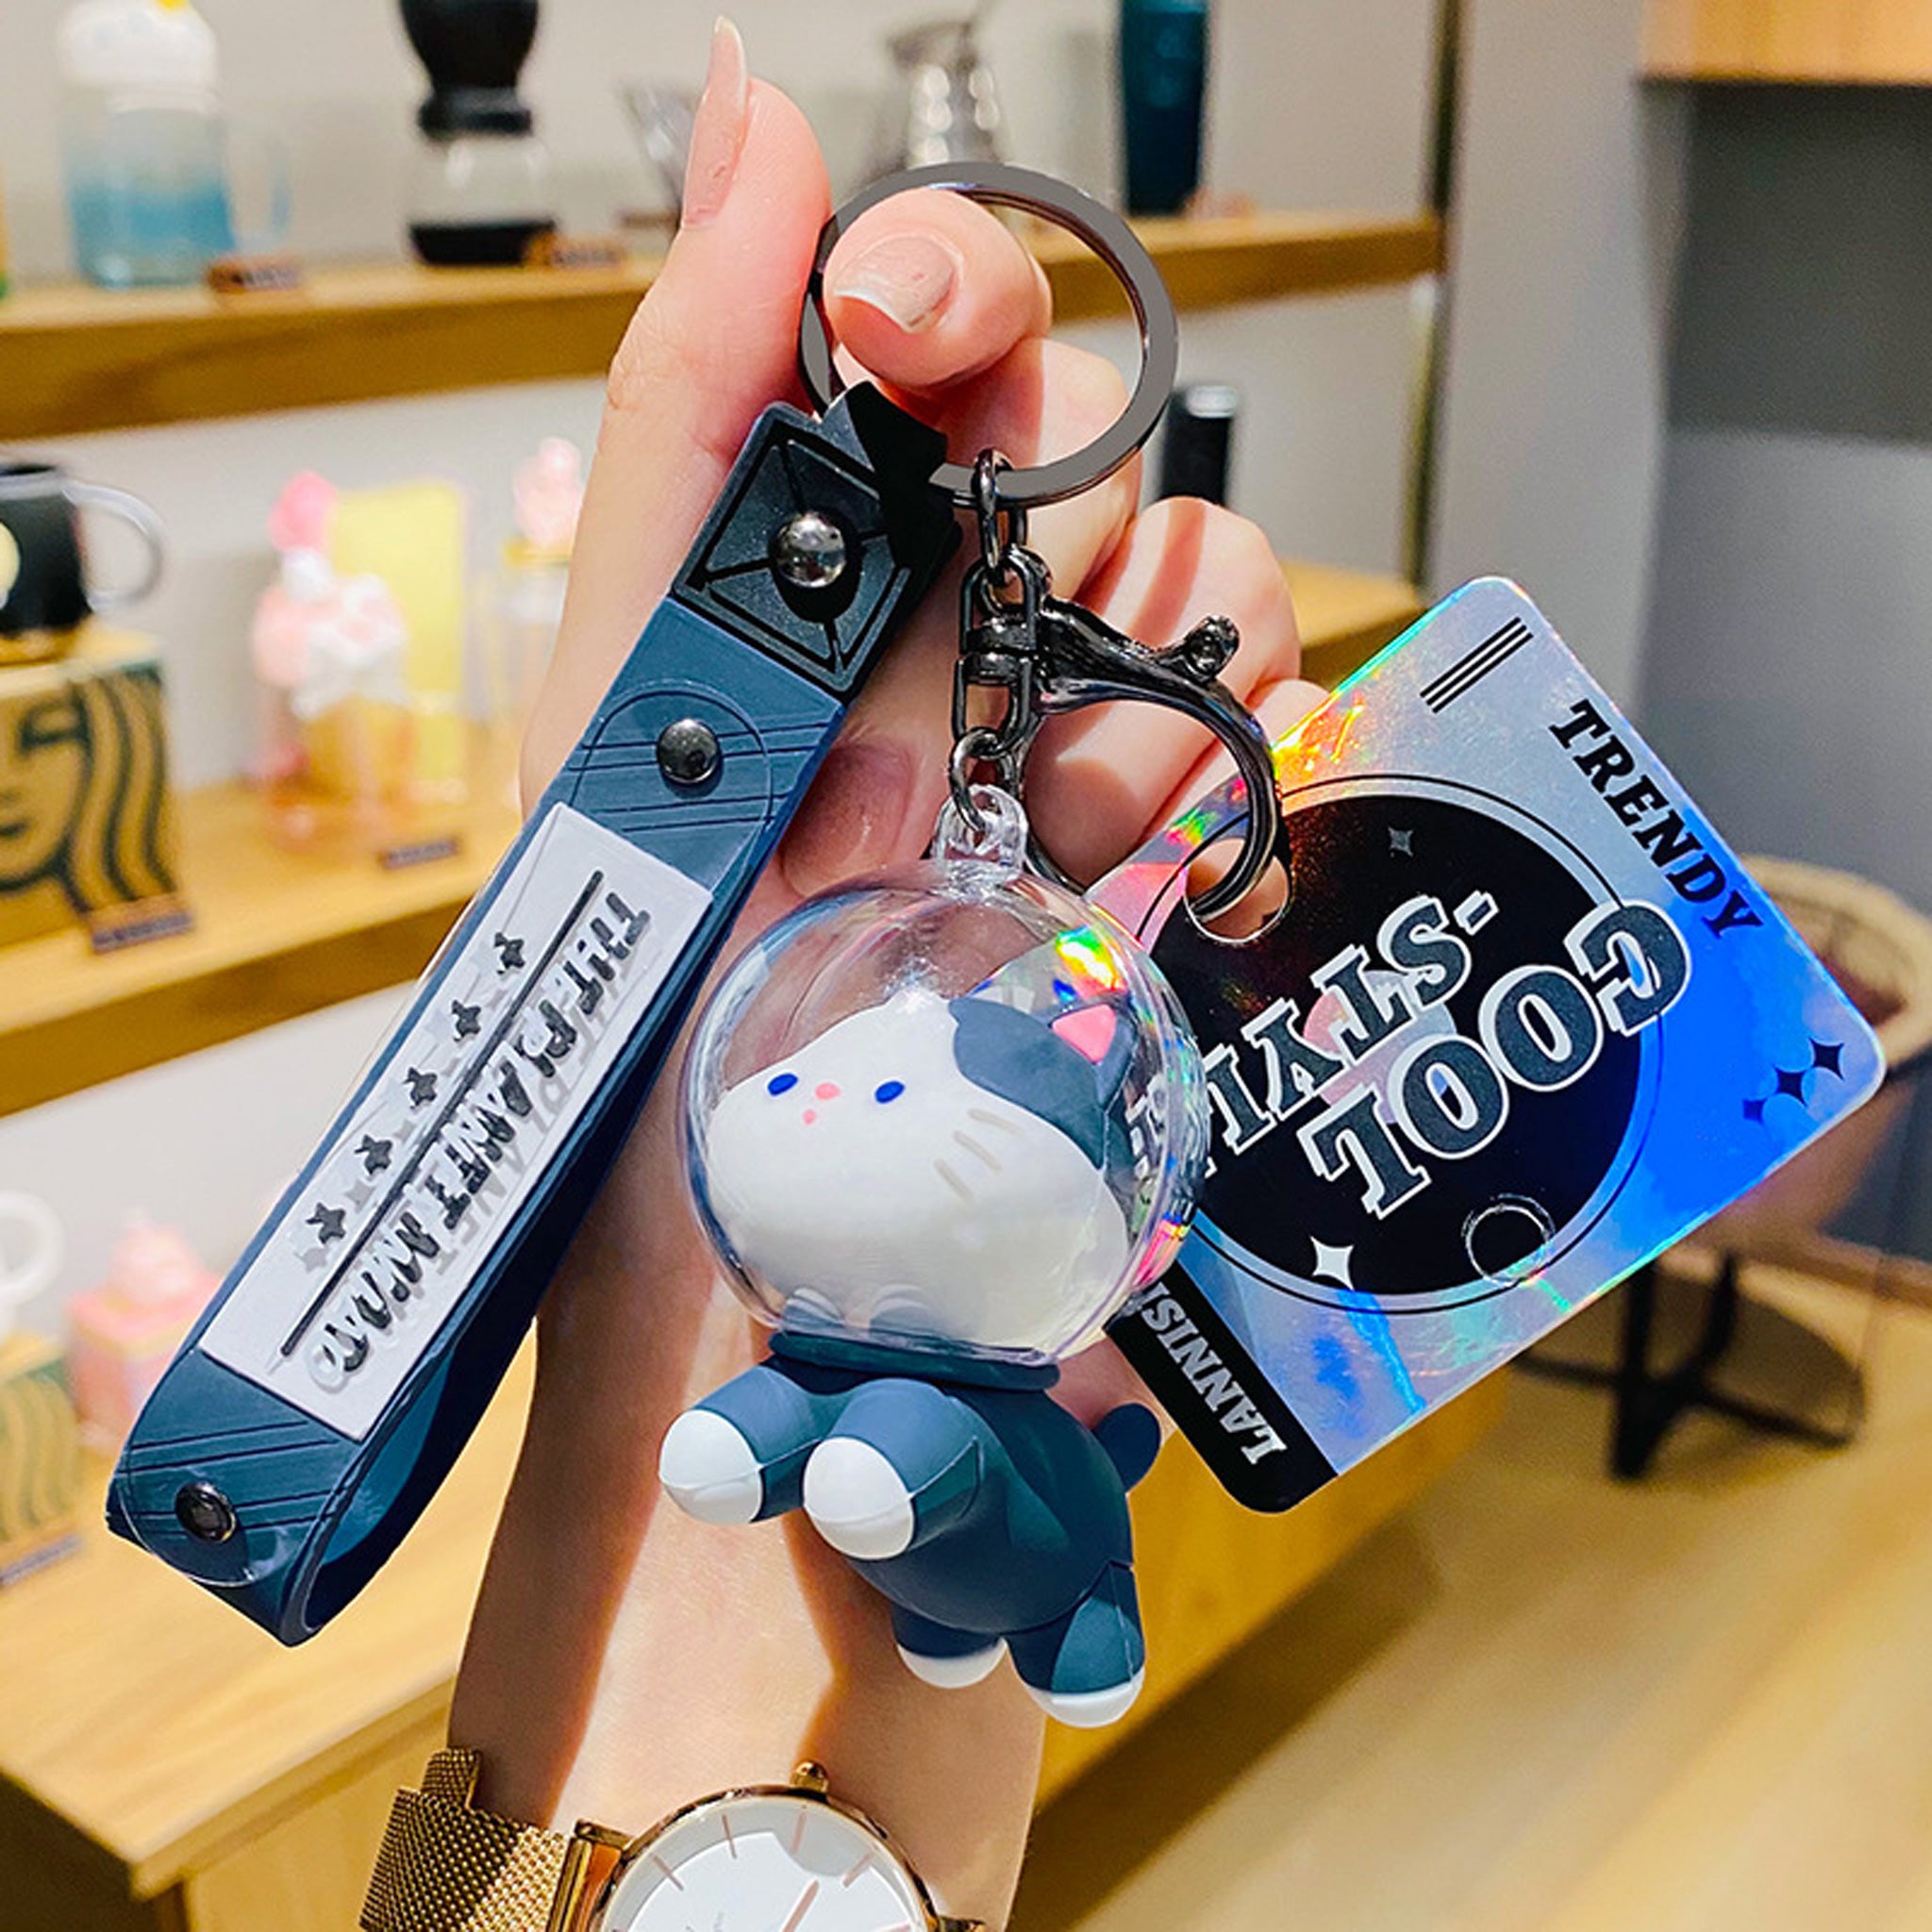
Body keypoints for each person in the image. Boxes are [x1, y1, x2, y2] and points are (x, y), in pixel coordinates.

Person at [448, 20, 1323, 1925]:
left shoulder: (1020, 1131)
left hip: (921, 1515)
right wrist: (649, 1353)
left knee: (942, 1495)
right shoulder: (770, 1088)